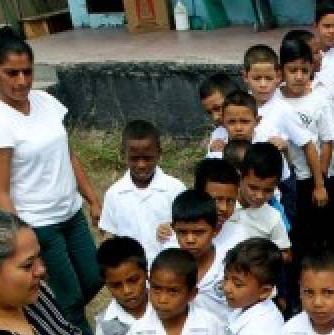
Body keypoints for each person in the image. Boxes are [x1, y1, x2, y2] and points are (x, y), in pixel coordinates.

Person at [0, 27, 102, 335]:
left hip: (70, 212)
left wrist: (92, 198)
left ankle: (50, 323)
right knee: (69, 297)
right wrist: (21, 239)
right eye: (11, 73)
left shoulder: (45, 101)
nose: (21, 81)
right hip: (39, 223)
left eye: (27, 72)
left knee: (94, 277)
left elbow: (68, 154)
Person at [242, 44, 327, 220]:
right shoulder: (241, 105)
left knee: (282, 223)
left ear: (278, 76)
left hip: (279, 184)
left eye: (268, 78)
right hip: (248, 181)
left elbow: (309, 146)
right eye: (257, 78)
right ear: (245, 77)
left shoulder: (283, 110)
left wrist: (319, 186)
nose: (263, 84)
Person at [278, 34, 334, 254]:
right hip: (285, 177)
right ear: (281, 71)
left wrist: (321, 181)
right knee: (295, 226)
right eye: (292, 70)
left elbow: (327, 141)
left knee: (322, 225)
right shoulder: (276, 100)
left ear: (311, 71)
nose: (298, 76)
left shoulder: (319, 101)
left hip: (312, 177)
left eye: (304, 71)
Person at [99, 119, 183, 262]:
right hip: (131, 272)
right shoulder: (114, 194)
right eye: (134, 158)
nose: (141, 165)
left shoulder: (175, 189)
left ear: (159, 153)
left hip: (168, 269)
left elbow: (188, 228)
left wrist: (173, 228)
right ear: (122, 154)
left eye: (147, 158)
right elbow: (109, 235)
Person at [170, 189, 229, 323]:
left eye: (199, 232)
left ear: (215, 230)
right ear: (173, 228)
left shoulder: (229, 264)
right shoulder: (168, 262)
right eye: (183, 232)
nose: (190, 239)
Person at [235, 143, 293, 259]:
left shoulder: (273, 217)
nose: (259, 196)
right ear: (241, 177)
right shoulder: (223, 206)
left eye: (268, 190)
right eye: (253, 187)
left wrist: (261, 257)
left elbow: (287, 254)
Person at [93, 236, 148, 335]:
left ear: (146, 273)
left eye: (133, 280)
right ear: (106, 285)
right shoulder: (106, 327)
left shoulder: (166, 306)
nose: (127, 290)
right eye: (116, 285)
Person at [195, 156, 252, 252]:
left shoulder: (241, 237)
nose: (224, 208)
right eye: (216, 200)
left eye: (230, 201)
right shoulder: (175, 237)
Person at [199, 72, 241, 155]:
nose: (215, 117)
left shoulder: (262, 131)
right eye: (209, 112)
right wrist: (213, 152)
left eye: (218, 108)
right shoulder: (218, 134)